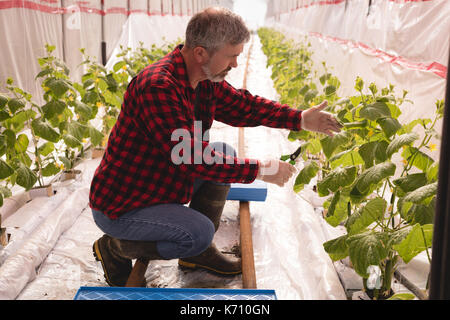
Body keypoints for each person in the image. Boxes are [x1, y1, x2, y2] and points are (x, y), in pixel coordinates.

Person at [89, 7, 342, 287]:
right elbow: (190, 157)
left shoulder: (202, 79)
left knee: (225, 154)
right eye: (231, 56)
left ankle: (195, 256)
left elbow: (244, 106)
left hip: (161, 182)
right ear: (201, 53)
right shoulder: (157, 87)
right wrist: (262, 169)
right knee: (197, 232)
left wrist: (299, 118)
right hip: (126, 203)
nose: (235, 64)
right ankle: (114, 247)